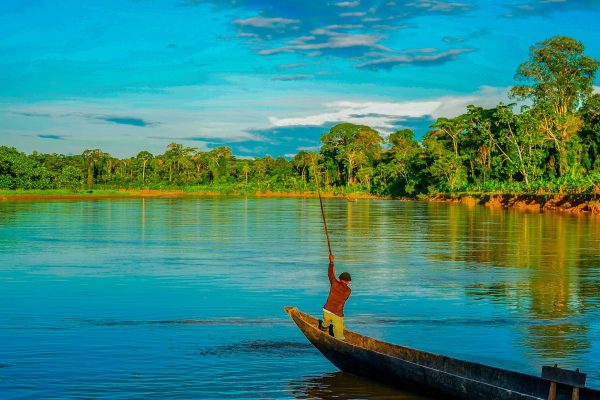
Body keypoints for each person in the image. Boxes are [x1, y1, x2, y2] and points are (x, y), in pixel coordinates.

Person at [320, 254, 351, 340]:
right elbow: (334, 278)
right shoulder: (348, 291)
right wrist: (332, 263)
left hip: (326, 310)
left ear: (340, 279)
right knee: (339, 335)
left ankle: (323, 328)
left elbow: (330, 275)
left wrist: (331, 262)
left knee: (326, 323)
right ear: (348, 281)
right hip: (337, 314)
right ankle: (339, 340)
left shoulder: (334, 284)